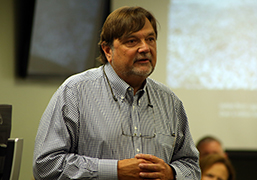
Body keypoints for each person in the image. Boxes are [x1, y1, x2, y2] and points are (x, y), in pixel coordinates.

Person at [33, 6, 200, 180]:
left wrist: (171, 173)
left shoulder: (169, 101)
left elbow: (191, 167)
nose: (145, 48)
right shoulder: (75, 92)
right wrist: (114, 171)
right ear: (108, 50)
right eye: (132, 41)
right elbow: (45, 165)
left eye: (150, 39)